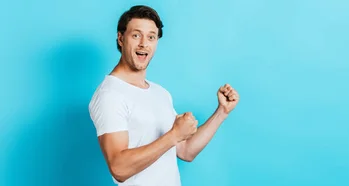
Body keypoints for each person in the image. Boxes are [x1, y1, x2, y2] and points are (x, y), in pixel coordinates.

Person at [88, 5, 239, 186]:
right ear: (121, 38)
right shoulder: (110, 94)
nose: (144, 43)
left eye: (151, 37)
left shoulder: (160, 93)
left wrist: (222, 112)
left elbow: (185, 151)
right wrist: (173, 135)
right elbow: (119, 169)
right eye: (136, 35)